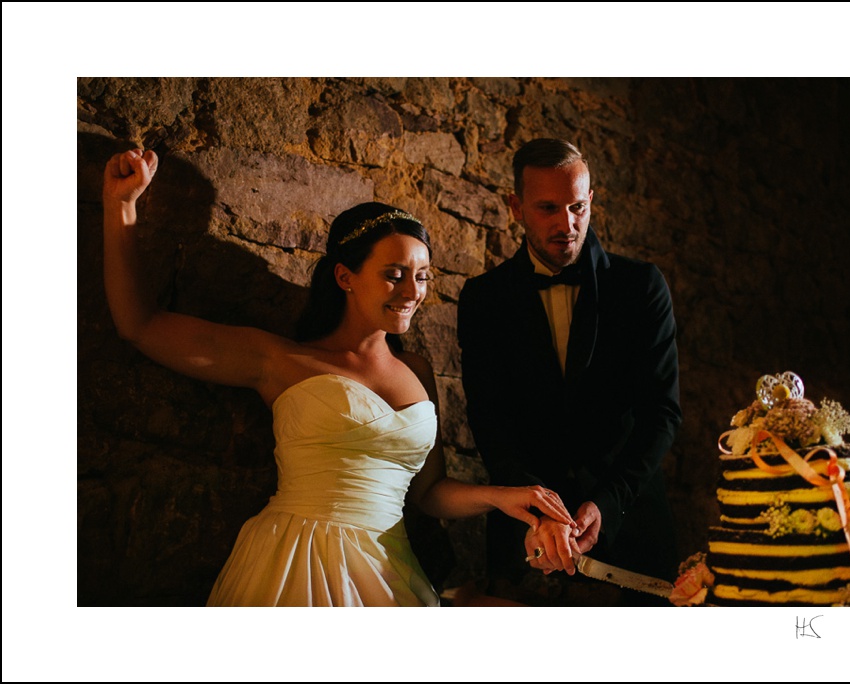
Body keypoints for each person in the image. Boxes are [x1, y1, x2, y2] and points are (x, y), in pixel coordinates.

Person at [102, 147, 575, 607]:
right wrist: (121, 204)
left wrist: (505, 496)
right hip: (297, 563)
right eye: (394, 274)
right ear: (346, 277)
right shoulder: (280, 360)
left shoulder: (416, 371)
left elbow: (428, 494)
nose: (413, 292)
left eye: (424, 276)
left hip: (391, 570)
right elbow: (139, 326)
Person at [457, 138, 682, 606]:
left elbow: (661, 412)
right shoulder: (484, 300)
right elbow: (489, 418)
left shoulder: (641, 287)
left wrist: (607, 503)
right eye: (548, 208)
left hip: (631, 532)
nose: (567, 224)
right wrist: (538, 513)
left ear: (591, 200)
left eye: (578, 207)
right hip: (526, 542)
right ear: (515, 207)